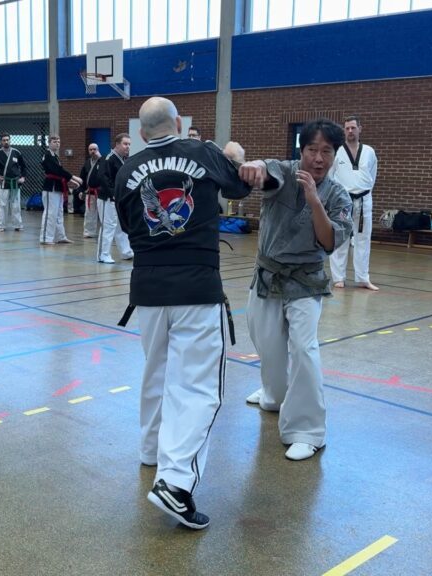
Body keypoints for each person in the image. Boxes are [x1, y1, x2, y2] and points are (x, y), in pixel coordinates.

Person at [115, 96, 251, 530]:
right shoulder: (204, 152)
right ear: (179, 122)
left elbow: (126, 223)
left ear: (140, 133)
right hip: (195, 287)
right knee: (196, 388)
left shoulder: (125, 171)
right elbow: (241, 187)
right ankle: (175, 484)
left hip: (148, 289)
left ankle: (151, 451)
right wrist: (237, 156)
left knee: (157, 372)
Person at [238, 119, 353, 462]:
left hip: (305, 281)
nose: (318, 158)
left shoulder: (338, 195)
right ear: (301, 151)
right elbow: (265, 170)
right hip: (268, 274)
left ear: (336, 155)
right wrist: (253, 167)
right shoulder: (285, 173)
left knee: (304, 350)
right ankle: (274, 394)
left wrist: (314, 200)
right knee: (267, 343)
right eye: (312, 150)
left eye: (327, 152)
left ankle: (307, 430)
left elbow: (329, 240)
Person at [329, 115, 378, 290]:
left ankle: (363, 278)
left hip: (364, 199)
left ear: (360, 129)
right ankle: (338, 277)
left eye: (353, 128)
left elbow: (372, 176)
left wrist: (363, 190)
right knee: (340, 237)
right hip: (342, 201)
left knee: (363, 239)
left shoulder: (369, 152)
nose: (350, 131)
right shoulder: (336, 151)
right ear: (344, 130)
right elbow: (330, 176)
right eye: (347, 128)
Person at [97, 133, 134, 263]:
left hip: (118, 198)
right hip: (107, 198)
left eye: (129, 144)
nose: (127, 147)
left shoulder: (123, 159)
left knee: (120, 226)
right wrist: (112, 193)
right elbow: (103, 178)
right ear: (117, 144)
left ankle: (126, 251)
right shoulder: (108, 159)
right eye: (125, 144)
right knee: (108, 226)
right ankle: (103, 254)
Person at [39, 135, 80, 245]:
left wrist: (71, 183)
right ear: (49, 143)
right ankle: (45, 238)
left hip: (58, 187)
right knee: (50, 213)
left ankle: (60, 236)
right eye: (54, 141)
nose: (57, 143)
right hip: (50, 188)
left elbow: (60, 172)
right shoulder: (47, 155)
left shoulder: (55, 157)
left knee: (59, 213)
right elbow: (57, 171)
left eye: (58, 141)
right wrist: (73, 177)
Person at [0, 133, 27, 232]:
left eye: (7, 140)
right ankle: (1, 225)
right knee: (3, 204)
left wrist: (23, 177)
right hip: (4, 182)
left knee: (16, 204)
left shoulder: (16, 152)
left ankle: (18, 225)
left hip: (15, 182)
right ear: (1, 142)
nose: (6, 142)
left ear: (10, 140)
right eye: (4, 140)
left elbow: (24, 166)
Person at [78, 142, 102, 238]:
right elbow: (82, 178)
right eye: (90, 150)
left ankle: (106, 233)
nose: (93, 151)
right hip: (90, 192)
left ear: (98, 150)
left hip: (101, 192)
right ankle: (89, 232)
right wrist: (80, 190)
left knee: (104, 214)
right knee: (89, 213)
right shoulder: (87, 163)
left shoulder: (103, 161)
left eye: (94, 149)